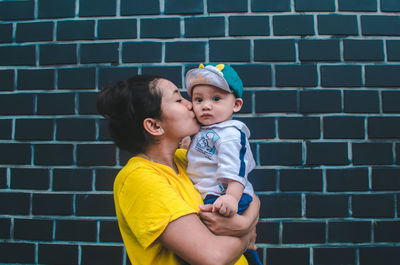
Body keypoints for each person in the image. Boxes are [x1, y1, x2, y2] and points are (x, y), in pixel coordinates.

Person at [96, 74, 260, 265]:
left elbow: (249, 194)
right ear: (155, 126)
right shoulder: (139, 178)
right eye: (178, 99)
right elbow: (214, 257)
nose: (191, 104)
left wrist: (243, 223)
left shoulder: (186, 159)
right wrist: (246, 232)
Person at [185, 63, 262, 265]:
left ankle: (251, 254)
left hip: (223, 195)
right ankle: (251, 249)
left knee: (212, 244)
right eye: (198, 99)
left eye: (216, 98)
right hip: (211, 194)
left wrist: (231, 198)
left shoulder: (230, 133)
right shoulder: (205, 130)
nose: (206, 105)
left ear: (236, 105)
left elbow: (236, 170)